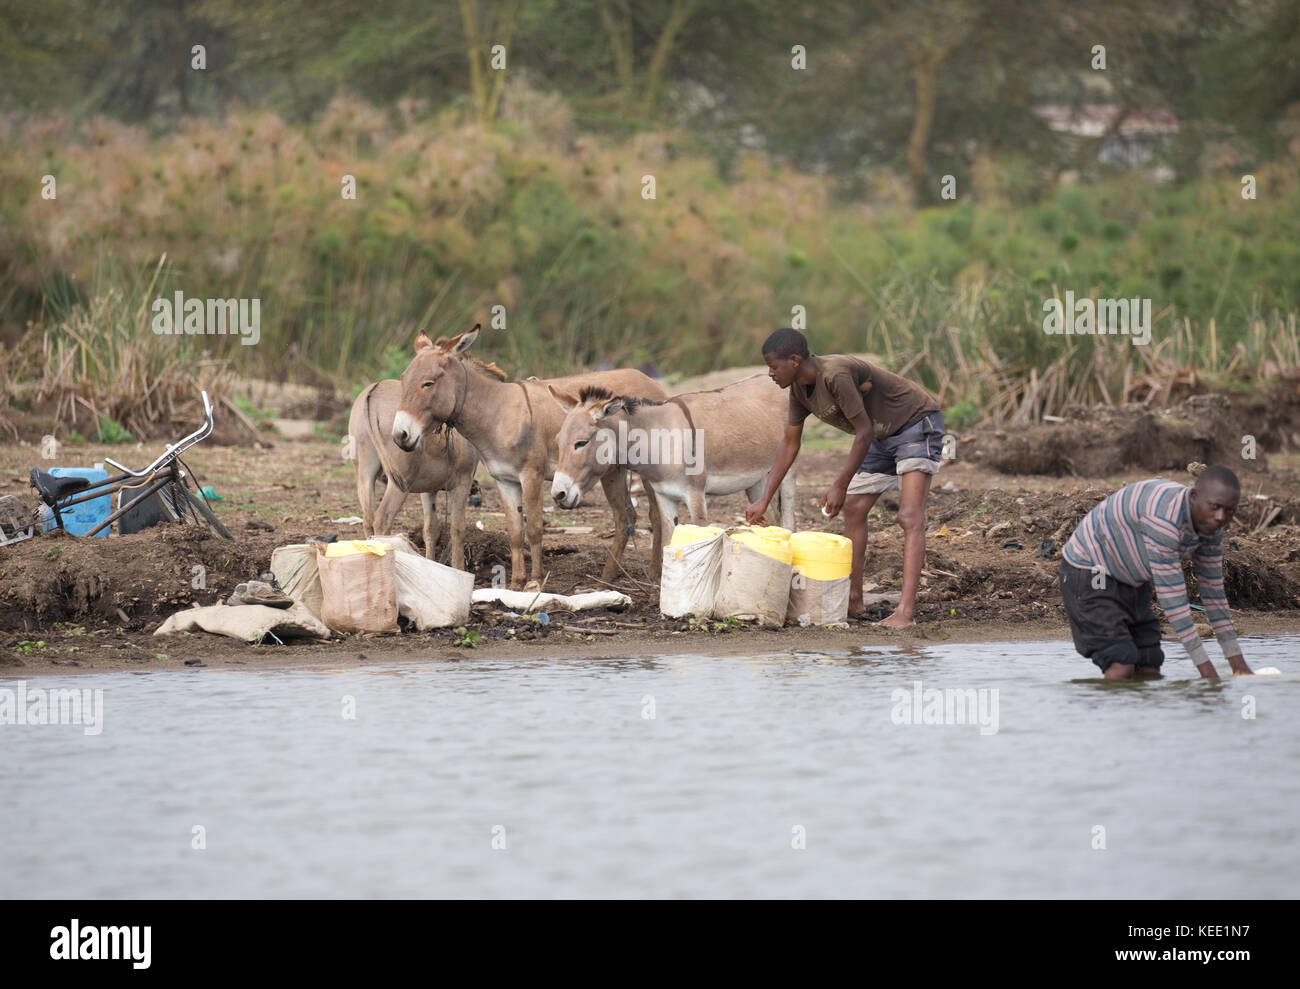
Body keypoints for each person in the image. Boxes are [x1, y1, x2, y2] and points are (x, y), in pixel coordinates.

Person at [745, 328, 944, 629]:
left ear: (795, 360)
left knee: (909, 515)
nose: (770, 373)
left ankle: (905, 613)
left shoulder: (834, 375)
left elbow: (862, 432)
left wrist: (839, 484)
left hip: (915, 423)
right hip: (880, 433)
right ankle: (853, 602)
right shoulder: (799, 390)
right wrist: (764, 499)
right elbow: (789, 445)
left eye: (774, 366)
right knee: (854, 507)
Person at [1058, 466, 1252, 680]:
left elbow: (1213, 593)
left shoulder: (1212, 527)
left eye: (1229, 511)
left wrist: (1239, 666)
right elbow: (1174, 602)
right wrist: (1207, 673)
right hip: (1091, 571)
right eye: (1215, 507)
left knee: (1149, 663)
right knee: (1121, 662)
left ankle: (1140, 714)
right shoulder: (1164, 520)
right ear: (1194, 496)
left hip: (1131, 577)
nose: (1220, 517)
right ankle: (1103, 712)